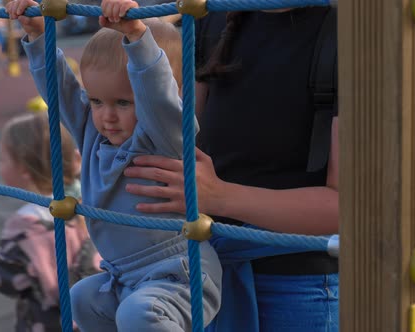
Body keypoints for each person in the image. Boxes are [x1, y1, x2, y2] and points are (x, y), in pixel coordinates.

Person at [5, 0, 222, 331]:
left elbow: (158, 97)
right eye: (96, 101)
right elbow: (61, 91)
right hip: (122, 276)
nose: (106, 116)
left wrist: (137, 36)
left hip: (178, 271)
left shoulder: (163, 136)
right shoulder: (93, 133)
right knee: (82, 297)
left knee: (140, 315)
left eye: (123, 102)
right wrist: (37, 37)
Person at [122, 7, 340, 332]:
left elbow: (346, 208)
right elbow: (178, 134)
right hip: (204, 266)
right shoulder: (215, 15)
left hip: (295, 279)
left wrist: (222, 197)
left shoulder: (343, 33)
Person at [0, 112, 101, 332]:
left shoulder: (25, 225)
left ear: (24, 170)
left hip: (47, 322)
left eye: (3, 158)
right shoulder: (89, 206)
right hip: (92, 319)